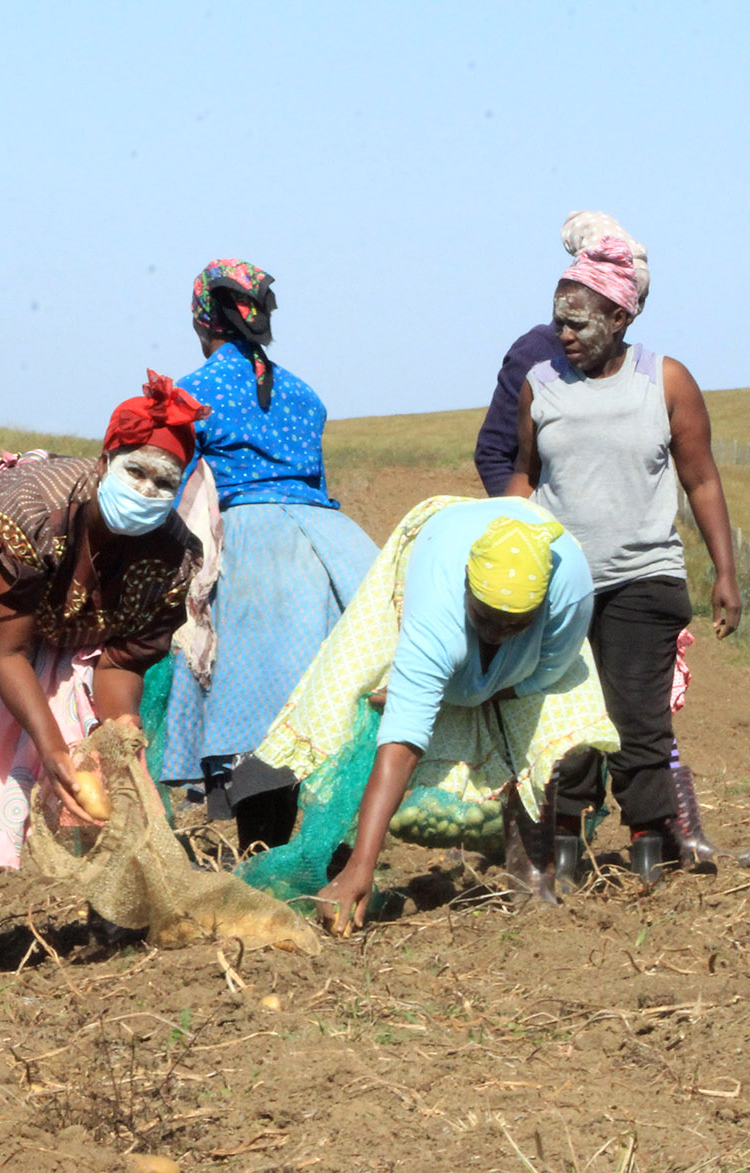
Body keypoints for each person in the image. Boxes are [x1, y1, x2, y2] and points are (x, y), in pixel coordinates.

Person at [0, 373, 209, 972]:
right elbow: (6, 652)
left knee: (105, 755)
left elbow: (121, 660)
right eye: (137, 472)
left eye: (165, 481)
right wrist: (50, 749)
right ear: (107, 462)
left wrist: (114, 738)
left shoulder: (171, 555)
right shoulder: (29, 511)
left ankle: (115, 914)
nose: (149, 490)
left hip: (75, 622)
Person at [247, 497, 618, 934]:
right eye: (487, 618)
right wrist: (363, 868)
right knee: (352, 691)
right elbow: (402, 742)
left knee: (555, 737)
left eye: (513, 624)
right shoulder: (436, 599)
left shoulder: (568, 593)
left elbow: (543, 675)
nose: (497, 634)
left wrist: (461, 696)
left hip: (540, 613)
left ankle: (534, 871)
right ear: (466, 588)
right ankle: (345, 864)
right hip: (435, 539)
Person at [506, 235, 743, 885]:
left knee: (637, 716)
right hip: (563, 586)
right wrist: (501, 550)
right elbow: (527, 477)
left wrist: (725, 572)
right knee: (570, 720)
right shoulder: (540, 385)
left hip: (645, 576)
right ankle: (564, 835)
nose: (562, 332)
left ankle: (648, 834)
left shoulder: (663, 381)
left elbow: (701, 481)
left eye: (576, 321)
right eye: (558, 319)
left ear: (620, 317)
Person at [155, 260, 380, 852]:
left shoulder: (192, 392)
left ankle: (266, 858)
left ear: (204, 318)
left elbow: (180, 493)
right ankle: (316, 856)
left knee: (252, 712)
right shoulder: (305, 394)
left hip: (250, 546)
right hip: (326, 542)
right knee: (319, 704)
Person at [473, 213, 649, 496]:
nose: (635, 311)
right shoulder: (535, 353)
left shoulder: (642, 373)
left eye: (639, 301)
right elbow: (493, 453)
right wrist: (526, 522)